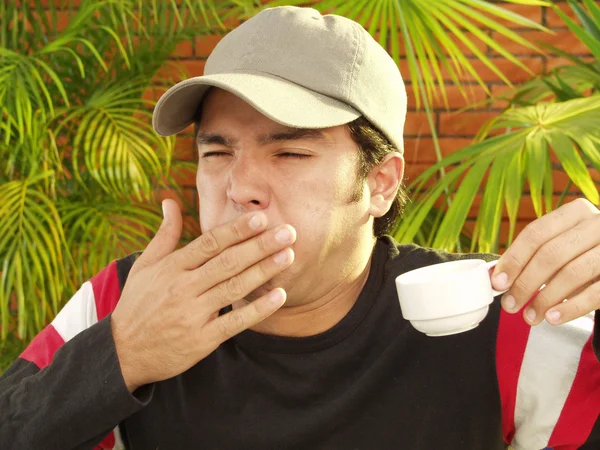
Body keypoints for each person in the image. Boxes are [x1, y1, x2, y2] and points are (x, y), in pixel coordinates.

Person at [1, 6, 598, 450]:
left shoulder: (493, 318)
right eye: (216, 152)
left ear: (380, 182)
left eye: (288, 153)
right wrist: (121, 356)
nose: (239, 187)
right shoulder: (130, 301)